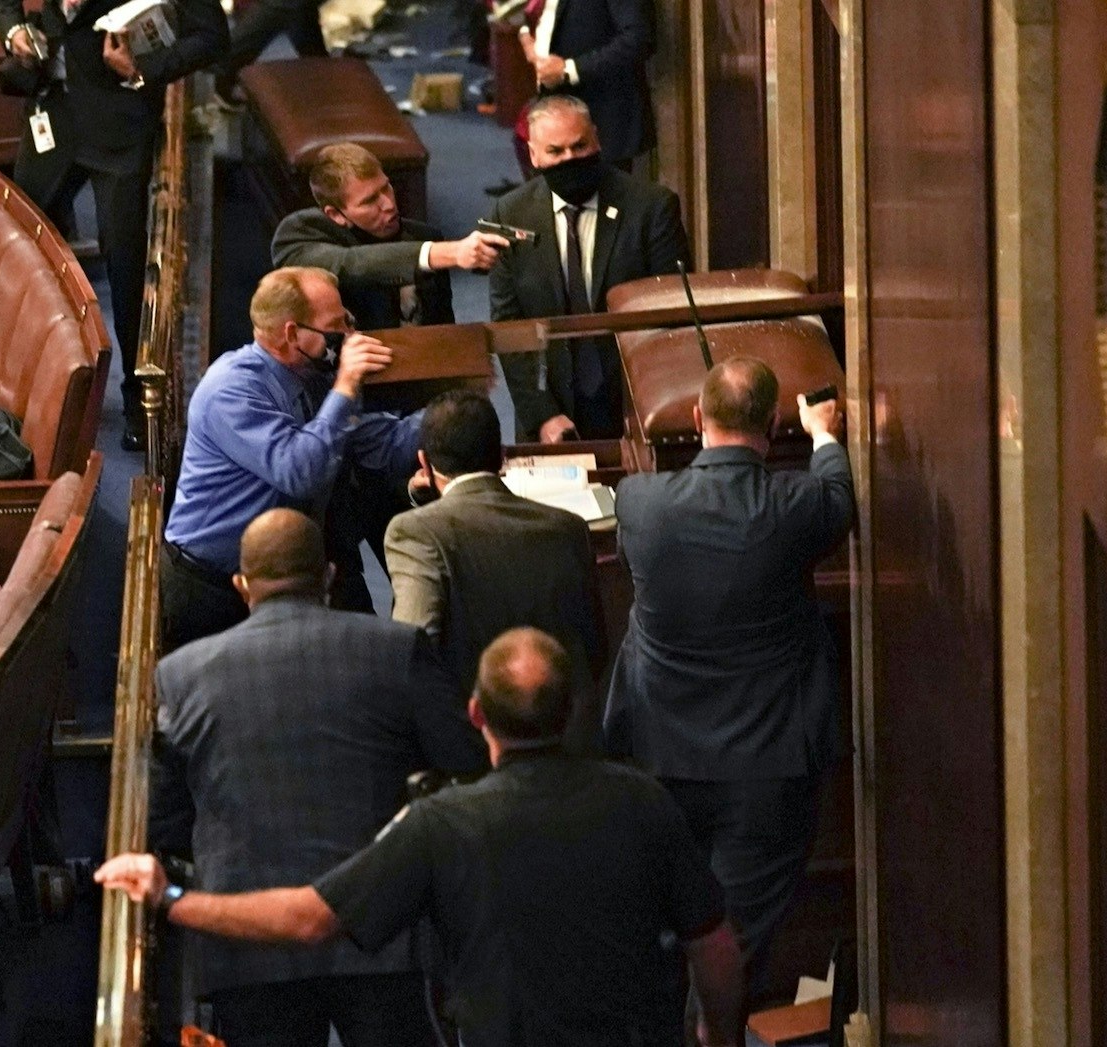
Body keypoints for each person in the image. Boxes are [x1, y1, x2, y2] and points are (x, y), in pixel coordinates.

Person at [101, 628, 745, 1047]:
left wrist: (172, 895)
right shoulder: (643, 800)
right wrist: (719, 1035)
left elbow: (307, 918)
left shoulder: (443, 824)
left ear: (475, 714)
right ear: (574, 707)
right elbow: (713, 943)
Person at [148, 508, 485, 1047]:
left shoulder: (180, 676)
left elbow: (162, 822)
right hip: (381, 932)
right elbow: (467, 764)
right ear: (329, 575)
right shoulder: (397, 650)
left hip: (249, 942)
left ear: (241, 584)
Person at [603, 356, 854, 1003]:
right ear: (774, 420)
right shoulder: (797, 504)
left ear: (695, 418)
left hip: (664, 752)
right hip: (768, 763)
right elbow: (838, 495)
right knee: (736, 938)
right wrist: (824, 431)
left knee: (670, 923)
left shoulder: (640, 501)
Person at [0, 0, 227, 453]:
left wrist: (144, 67)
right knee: (19, 250)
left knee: (127, 267)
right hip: (53, 111)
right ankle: (37, 392)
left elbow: (212, 37)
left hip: (121, 118)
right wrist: (12, 30)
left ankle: (139, 404)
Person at [160, 267, 421, 650]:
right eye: (335, 325)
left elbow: (370, 440)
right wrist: (347, 385)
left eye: (347, 320)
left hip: (290, 573)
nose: (348, 336)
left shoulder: (309, 374)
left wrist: (451, 417)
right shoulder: (231, 389)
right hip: (212, 591)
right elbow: (301, 471)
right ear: (290, 335)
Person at [385, 391, 603, 743]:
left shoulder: (415, 533)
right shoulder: (569, 528)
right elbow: (593, 649)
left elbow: (412, 657)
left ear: (424, 464)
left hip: (474, 746)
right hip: (568, 739)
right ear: (502, 456)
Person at [486, 93, 688, 443]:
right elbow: (509, 327)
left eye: (579, 147)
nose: (570, 159)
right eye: (555, 151)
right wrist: (543, 415)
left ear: (597, 138)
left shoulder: (652, 208)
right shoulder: (510, 215)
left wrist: (648, 406)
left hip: (635, 402)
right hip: (551, 409)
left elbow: (670, 318)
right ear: (533, 155)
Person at [273, 143, 509, 331]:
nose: (388, 204)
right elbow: (349, 263)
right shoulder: (300, 233)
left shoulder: (423, 236)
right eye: (369, 201)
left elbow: (442, 327)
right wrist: (445, 252)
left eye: (386, 187)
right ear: (336, 215)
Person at [511, 0, 655, 173]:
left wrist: (569, 70)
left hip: (602, 118)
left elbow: (638, 38)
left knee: (603, 197)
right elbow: (532, 9)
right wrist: (526, 37)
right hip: (553, 108)